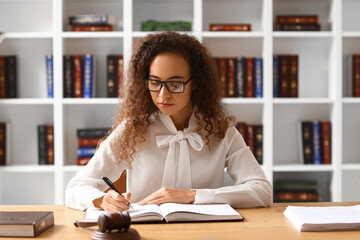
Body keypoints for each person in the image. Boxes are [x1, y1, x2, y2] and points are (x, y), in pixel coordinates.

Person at [65, 32, 272, 212]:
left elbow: (262, 190)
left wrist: (194, 196)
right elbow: (76, 187)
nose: (163, 95)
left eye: (175, 83)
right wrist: (103, 200)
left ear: (196, 83)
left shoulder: (221, 131)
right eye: (155, 83)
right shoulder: (133, 129)